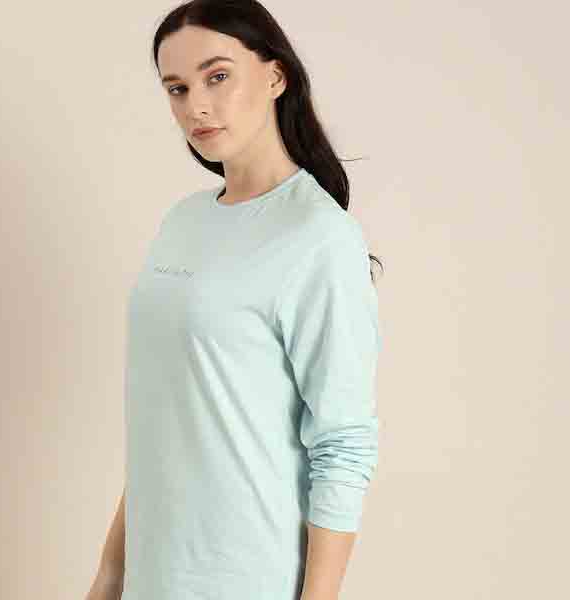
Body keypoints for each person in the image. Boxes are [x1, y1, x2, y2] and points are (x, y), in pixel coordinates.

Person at [86, 1, 385, 599]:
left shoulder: (319, 236)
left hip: (248, 575)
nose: (195, 105)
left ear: (275, 76)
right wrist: (112, 572)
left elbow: (343, 443)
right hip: (155, 574)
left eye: (217, 76)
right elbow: (167, 423)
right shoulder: (183, 221)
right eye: (177, 88)